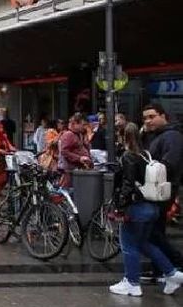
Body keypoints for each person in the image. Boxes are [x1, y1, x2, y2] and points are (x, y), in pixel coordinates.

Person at [109, 122, 183, 296]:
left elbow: (128, 184)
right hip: (152, 207)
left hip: (136, 209)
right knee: (144, 243)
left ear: (123, 137)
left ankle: (132, 283)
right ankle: (172, 274)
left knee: (128, 245)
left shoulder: (128, 156)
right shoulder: (146, 155)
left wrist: (120, 208)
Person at [141, 104, 183, 278]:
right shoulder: (156, 136)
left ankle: (175, 263)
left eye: (152, 116)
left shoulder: (172, 136)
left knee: (153, 232)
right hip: (156, 190)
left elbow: (169, 163)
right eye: (145, 118)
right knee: (154, 231)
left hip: (162, 191)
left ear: (163, 116)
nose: (148, 121)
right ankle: (162, 268)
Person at [58, 113, 92, 189]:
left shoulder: (79, 134)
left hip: (78, 169)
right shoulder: (69, 135)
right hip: (70, 170)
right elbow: (64, 151)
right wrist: (79, 158)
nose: (84, 127)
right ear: (75, 124)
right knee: (68, 191)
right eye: (83, 125)